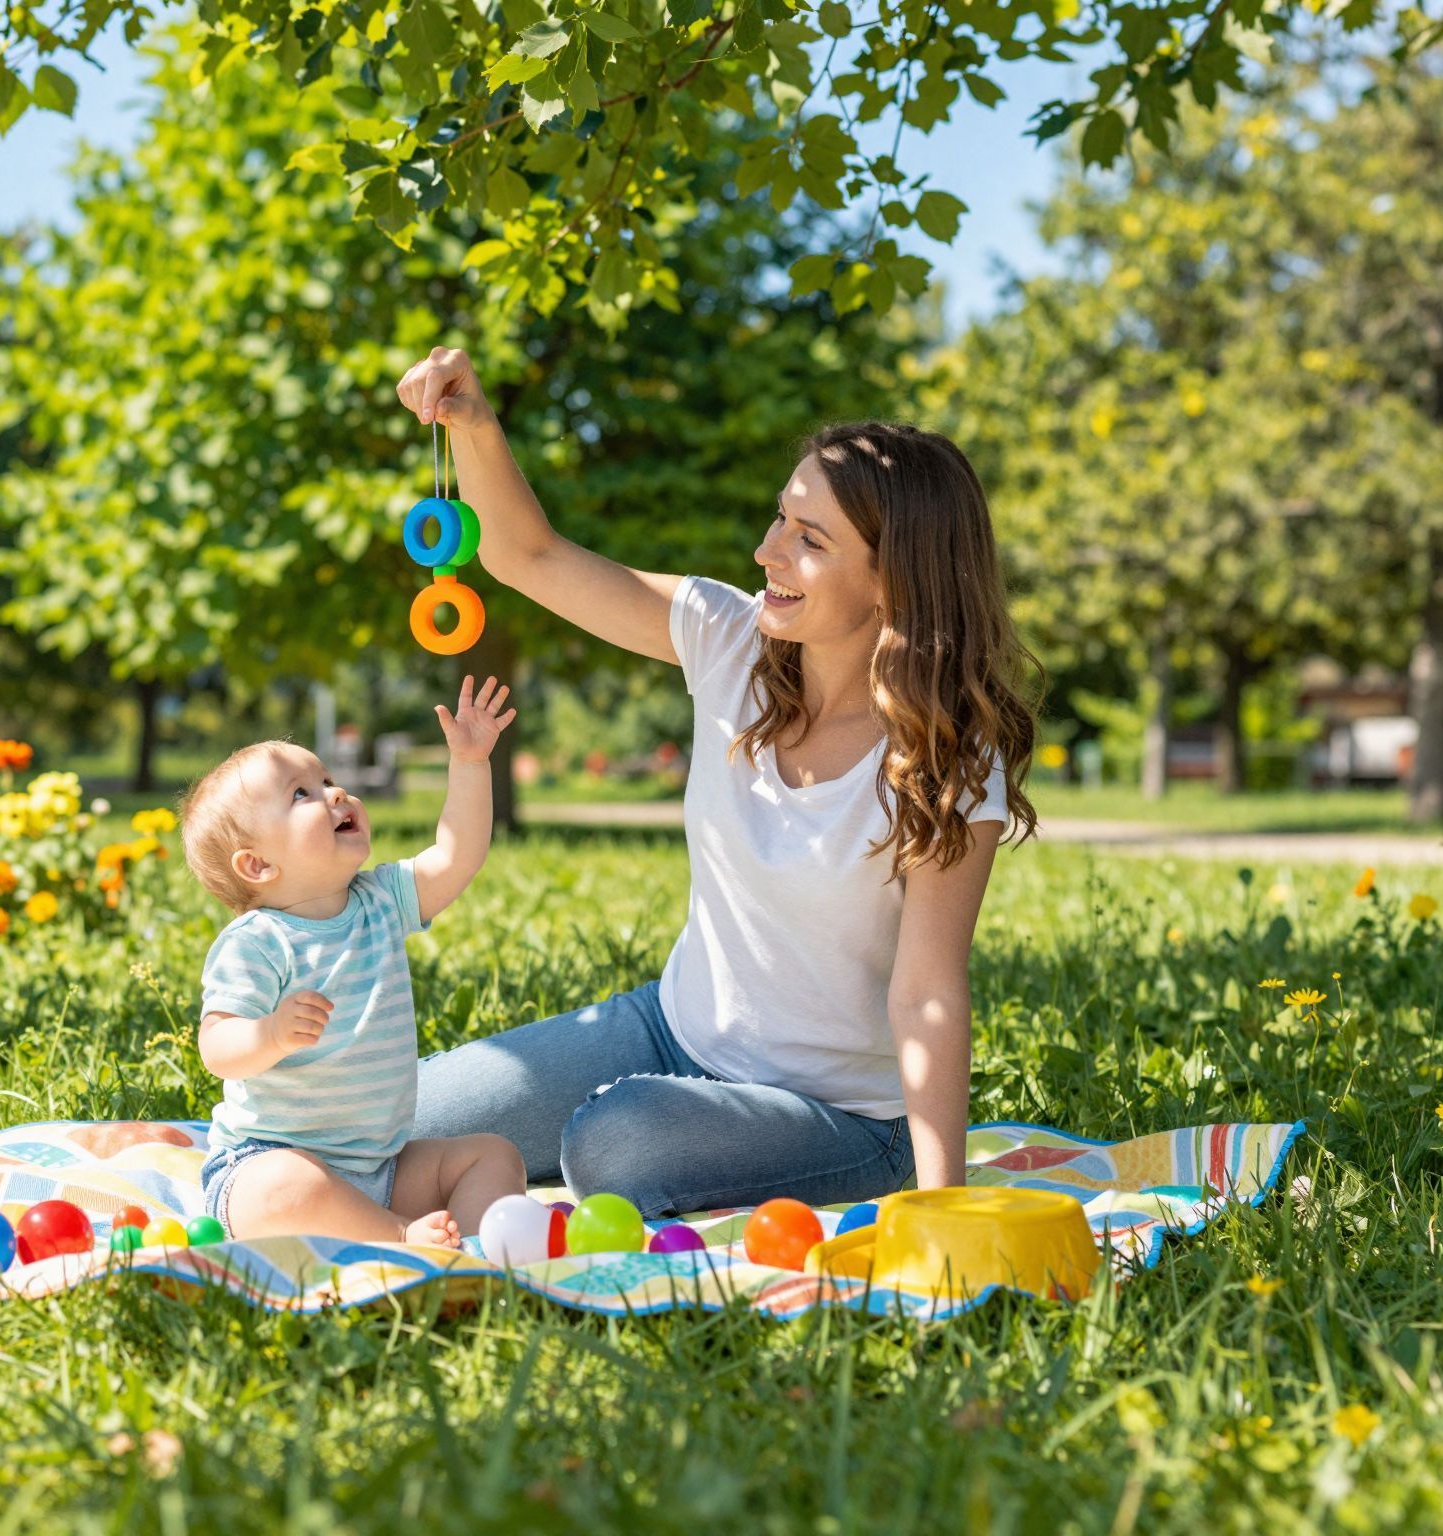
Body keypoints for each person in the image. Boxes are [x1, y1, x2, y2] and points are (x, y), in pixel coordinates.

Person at [397, 348, 1042, 1216]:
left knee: (613, 1140)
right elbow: (529, 556)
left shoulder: (945, 758)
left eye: (809, 540)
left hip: (838, 1117)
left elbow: (927, 992)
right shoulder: (727, 638)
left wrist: (942, 1204)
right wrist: (473, 425)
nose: (767, 550)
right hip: (669, 1030)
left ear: (893, 581)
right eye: (781, 517)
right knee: (398, 1119)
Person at [181, 677, 528, 1248]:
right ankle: (401, 1238)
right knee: (282, 1189)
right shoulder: (258, 942)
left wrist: (469, 763)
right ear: (258, 866)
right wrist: (270, 1033)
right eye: (302, 794)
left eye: (327, 780)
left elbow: (456, 856)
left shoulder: (382, 901)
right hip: (271, 1161)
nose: (335, 793)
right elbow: (217, 1048)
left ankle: (472, 1255)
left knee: (493, 1155)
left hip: (381, 1168)